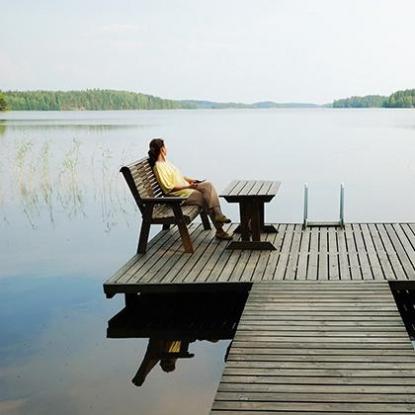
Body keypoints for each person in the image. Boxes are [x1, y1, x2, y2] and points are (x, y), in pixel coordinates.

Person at [148, 138, 232, 240]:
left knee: (208, 185)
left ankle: (219, 216)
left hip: (187, 190)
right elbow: (168, 188)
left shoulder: (166, 163)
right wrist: (188, 186)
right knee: (206, 198)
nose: (167, 149)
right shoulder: (158, 167)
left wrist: (192, 180)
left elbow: (180, 177)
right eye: (165, 147)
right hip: (179, 197)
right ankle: (220, 229)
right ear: (162, 150)